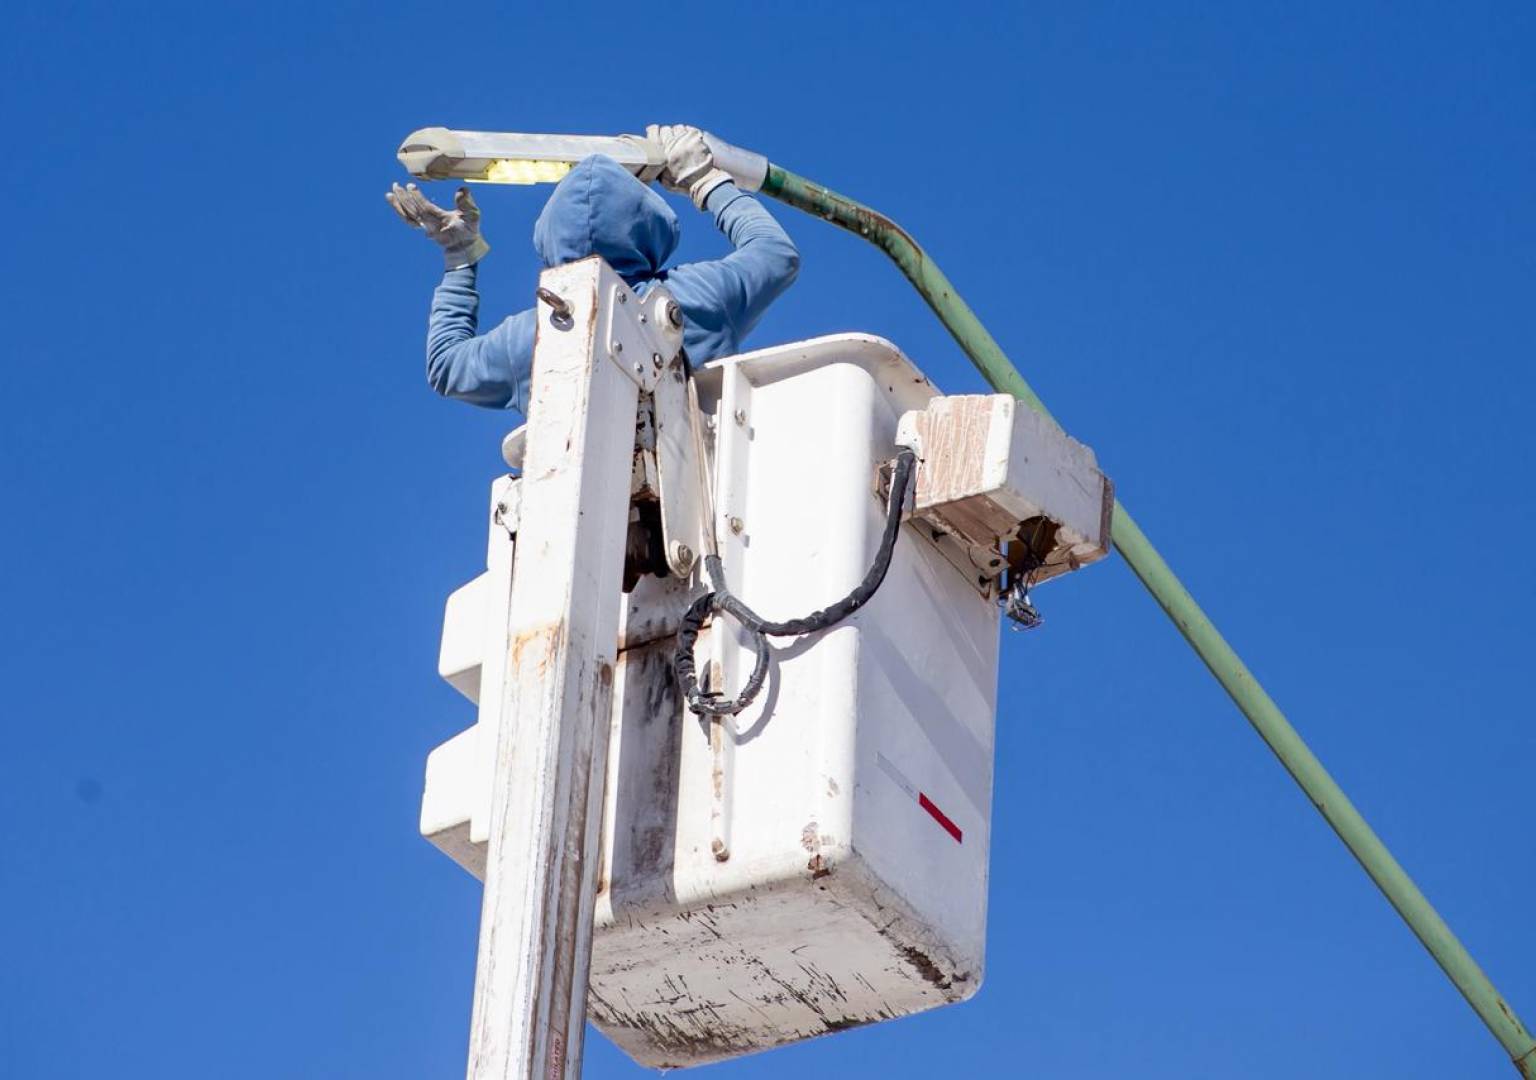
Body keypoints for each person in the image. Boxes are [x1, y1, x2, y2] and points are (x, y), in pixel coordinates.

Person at [386, 124, 800, 415]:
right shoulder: (691, 297)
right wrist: (707, 181)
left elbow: (446, 367)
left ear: (548, 237)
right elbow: (776, 254)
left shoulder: (537, 335)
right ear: (650, 231)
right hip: (707, 511)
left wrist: (460, 257)